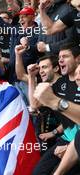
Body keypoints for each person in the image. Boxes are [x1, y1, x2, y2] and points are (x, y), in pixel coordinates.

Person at [32, 44, 80, 174]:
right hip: (67, 138)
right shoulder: (60, 83)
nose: (60, 60)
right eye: (59, 57)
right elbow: (34, 105)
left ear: (78, 59)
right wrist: (31, 77)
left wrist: (56, 102)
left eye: (65, 56)